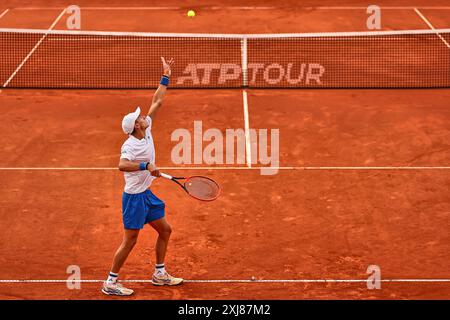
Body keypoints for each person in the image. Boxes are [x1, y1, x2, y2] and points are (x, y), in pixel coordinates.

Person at [102, 57, 183, 296]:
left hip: (146, 195)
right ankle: (110, 282)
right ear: (136, 126)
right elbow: (122, 165)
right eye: (139, 118)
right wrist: (146, 165)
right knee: (131, 240)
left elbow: (157, 100)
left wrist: (166, 76)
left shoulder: (146, 131)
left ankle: (159, 273)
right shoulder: (130, 146)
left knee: (165, 230)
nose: (143, 118)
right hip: (134, 198)